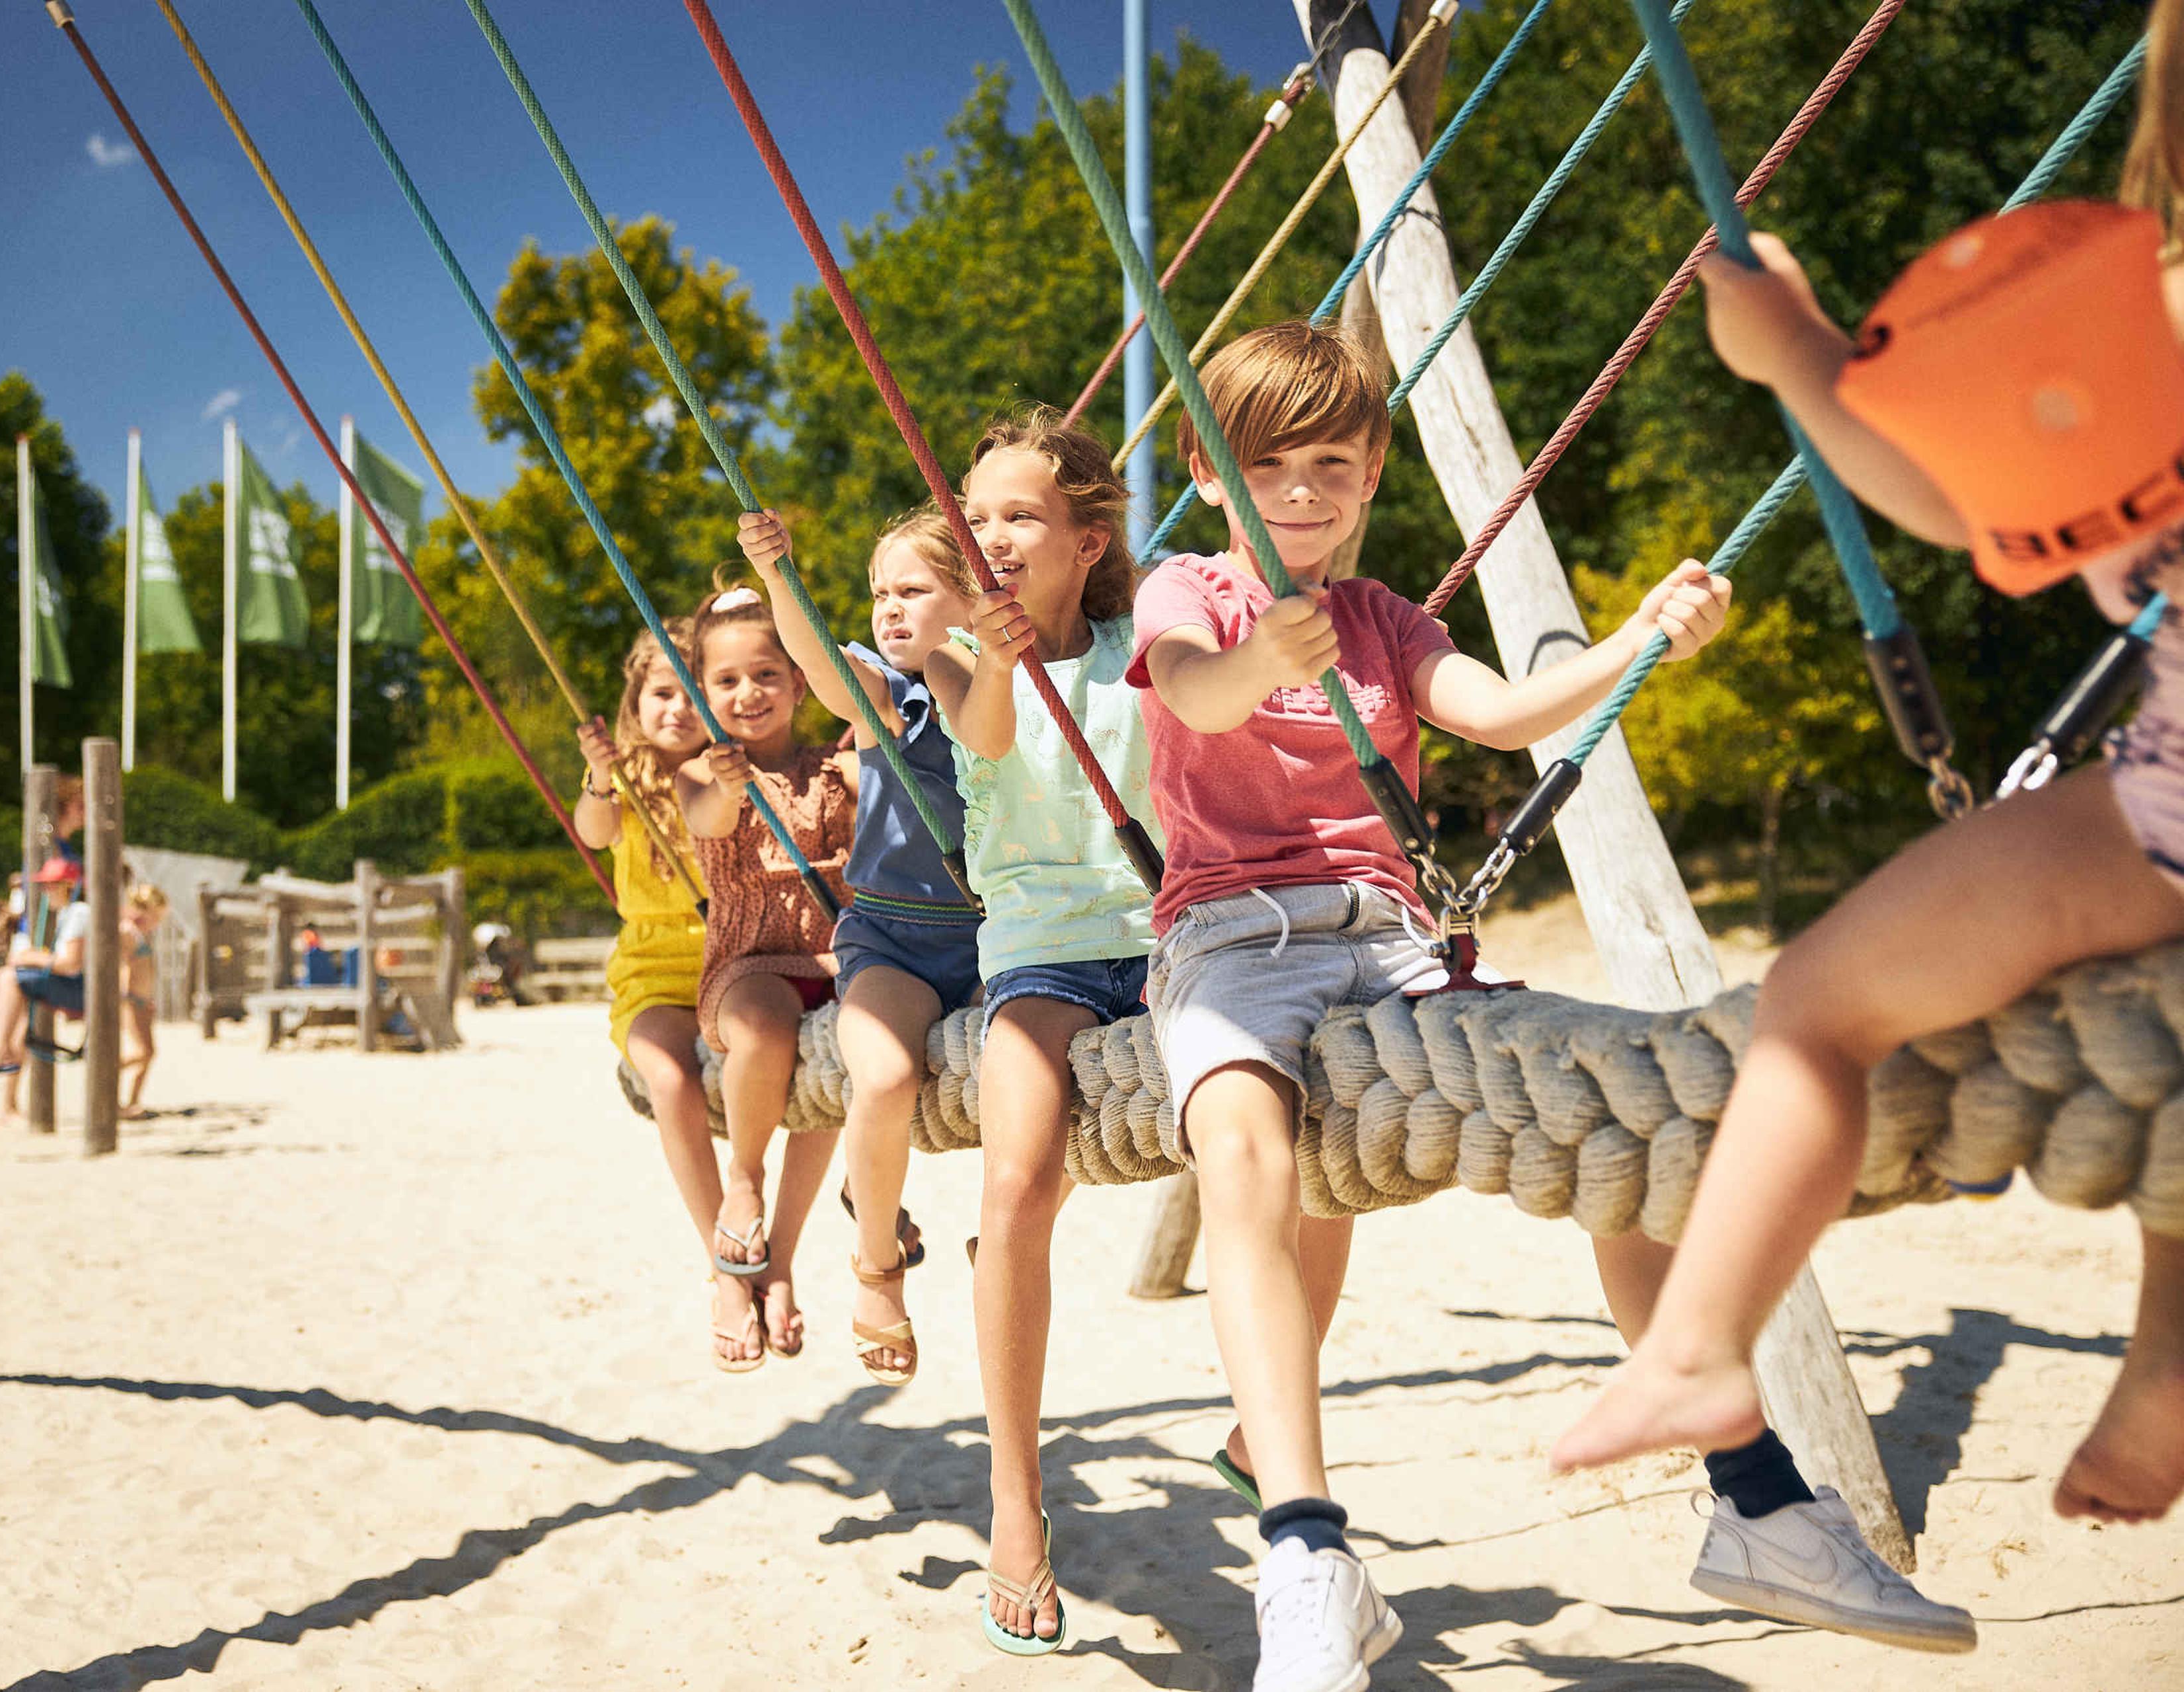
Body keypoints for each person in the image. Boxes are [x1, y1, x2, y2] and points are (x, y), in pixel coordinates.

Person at [1125, 320, 1974, 1686]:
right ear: (1211, 475)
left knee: (1610, 1128)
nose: (1299, 490)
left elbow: (1509, 712)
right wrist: (1259, 663)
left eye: (1331, 463)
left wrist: (1642, 639)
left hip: (1395, 937)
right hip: (1234, 938)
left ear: (1373, 473)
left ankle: (1760, 1505)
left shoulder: (1384, 620)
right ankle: (1304, 1550)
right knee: (1242, 1154)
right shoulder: (1191, 593)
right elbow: (1193, 694)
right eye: (1267, 464)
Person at [1555, 30, 2184, 1536]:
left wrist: (1795, 352)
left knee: (1819, 999)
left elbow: (1973, 492)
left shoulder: (2152, 314)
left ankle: (1701, 1343)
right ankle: (2163, 1363)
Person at [922, 411, 1160, 1655]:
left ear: (1088, 539)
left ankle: (1263, 1438)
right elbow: (991, 739)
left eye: (1023, 515)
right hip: (1043, 958)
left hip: (1168, 935)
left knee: (1308, 1106)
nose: (996, 534)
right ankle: (1016, 1500)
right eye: (981, 515)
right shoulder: (961, 654)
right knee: (1017, 1184)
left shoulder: (1144, 643)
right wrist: (1004, 657)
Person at [735, 505, 977, 1387]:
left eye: (914, 589)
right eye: (880, 592)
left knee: (1056, 1072)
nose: (889, 608)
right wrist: (779, 579)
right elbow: (823, 667)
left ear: (977, 597)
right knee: (881, 1076)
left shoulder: (1014, 687)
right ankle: (878, 1267)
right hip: (895, 939)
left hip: (999, 939)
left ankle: (1009, 1237)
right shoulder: (887, 692)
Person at [676, 584, 854, 1368]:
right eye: (726, 681)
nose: (748, 694)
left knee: (841, 1059)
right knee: (766, 1025)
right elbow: (708, 820)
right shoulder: (701, 773)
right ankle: (742, 1180)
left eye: (767, 675)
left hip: (835, 956)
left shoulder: (832, 768)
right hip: (748, 964)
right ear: (702, 692)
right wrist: (726, 783)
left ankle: (779, 1260)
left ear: (798, 681)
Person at [575, 621, 745, 1367]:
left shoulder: (724, 772)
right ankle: (722, 1255)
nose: (674, 708)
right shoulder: (628, 779)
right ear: (635, 702)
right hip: (652, 972)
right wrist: (596, 774)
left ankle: (766, 1227)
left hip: (731, 958)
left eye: (688, 693)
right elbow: (593, 827)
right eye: (659, 693)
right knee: (670, 1076)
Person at [0, 855, 89, 1127]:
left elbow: (71, 964)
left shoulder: (78, 912)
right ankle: (6, 1075)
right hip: (74, 985)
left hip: (80, 990)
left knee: (9, 978)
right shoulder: (70, 912)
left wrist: (32, 957)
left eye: (51, 886)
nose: (46, 892)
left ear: (68, 885)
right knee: (18, 1020)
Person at [120, 883, 168, 1120]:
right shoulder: (127, 932)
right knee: (143, 1051)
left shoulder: (141, 934)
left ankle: (133, 1101)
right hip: (130, 1000)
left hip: (142, 999)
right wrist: (127, 996)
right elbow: (123, 966)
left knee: (149, 1053)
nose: (157, 922)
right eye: (155, 917)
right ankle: (107, 1073)